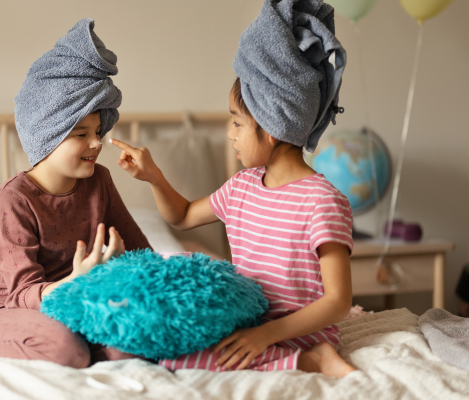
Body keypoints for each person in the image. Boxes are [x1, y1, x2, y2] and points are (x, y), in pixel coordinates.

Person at [109, 0, 355, 378]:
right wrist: (154, 176)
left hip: (296, 333)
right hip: (249, 326)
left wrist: (266, 335)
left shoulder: (321, 201)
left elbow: (338, 302)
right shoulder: (241, 188)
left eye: (237, 123)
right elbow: (184, 216)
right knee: (167, 350)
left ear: (271, 128)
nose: (230, 134)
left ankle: (313, 360)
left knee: (185, 363)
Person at [0, 18, 151, 367]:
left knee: (130, 347)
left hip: (75, 300)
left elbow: (139, 252)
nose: (96, 143)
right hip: (11, 308)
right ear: (47, 137)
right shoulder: (12, 202)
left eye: (98, 131)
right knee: (66, 350)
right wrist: (77, 280)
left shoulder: (99, 182)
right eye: (80, 134)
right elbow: (22, 293)